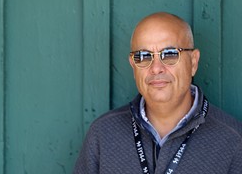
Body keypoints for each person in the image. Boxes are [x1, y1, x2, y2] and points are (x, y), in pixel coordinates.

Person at [73, 12, 242, 174]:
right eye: (144, 56)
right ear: (133, 65)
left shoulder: (233, 139)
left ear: (193, 62)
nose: (156, 68)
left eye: (169, 54)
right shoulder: (103, 133)